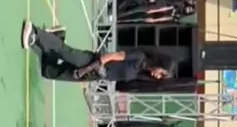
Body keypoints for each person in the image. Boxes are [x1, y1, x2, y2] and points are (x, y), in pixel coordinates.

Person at [21, 21, 175, 83]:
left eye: (161, 77)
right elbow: (112, 56)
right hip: (91, 62)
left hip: (94, 75)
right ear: (160, 64)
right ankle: (35, 32)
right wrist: (87, 68)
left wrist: (92, 75)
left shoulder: (140, 73)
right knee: (64, 52)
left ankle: (56, 36)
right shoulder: (139, 57)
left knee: (49, 72)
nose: (158, 76)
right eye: (162, 73)